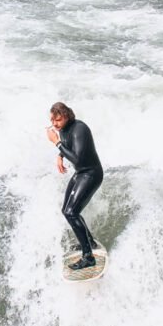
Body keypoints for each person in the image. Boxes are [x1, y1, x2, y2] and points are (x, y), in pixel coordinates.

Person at [46, 101, 104, 271]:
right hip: (80, 174)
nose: (54, 124)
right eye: (52, 120)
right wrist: (60, 155)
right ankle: (90, 242)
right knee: (68, 210)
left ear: (67, 116)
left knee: (72, 212)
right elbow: (68, 144)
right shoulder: (64, 129)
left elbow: (78, 159)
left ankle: (88, 258)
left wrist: (56, 143)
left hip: (91, 174)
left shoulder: (79, 129)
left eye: (57, 120)